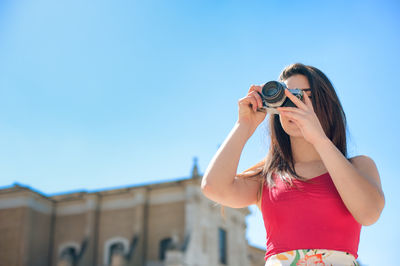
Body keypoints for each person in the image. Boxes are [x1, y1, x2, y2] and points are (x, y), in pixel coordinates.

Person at [200, 63, 385, 266]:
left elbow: (369, 213)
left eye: (303, 96)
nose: (292, 104)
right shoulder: (268, 177)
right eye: (285, 97)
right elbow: (213, 187)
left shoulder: (359, 166)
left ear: (326, 105)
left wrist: (319, 139)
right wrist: (244, 124)